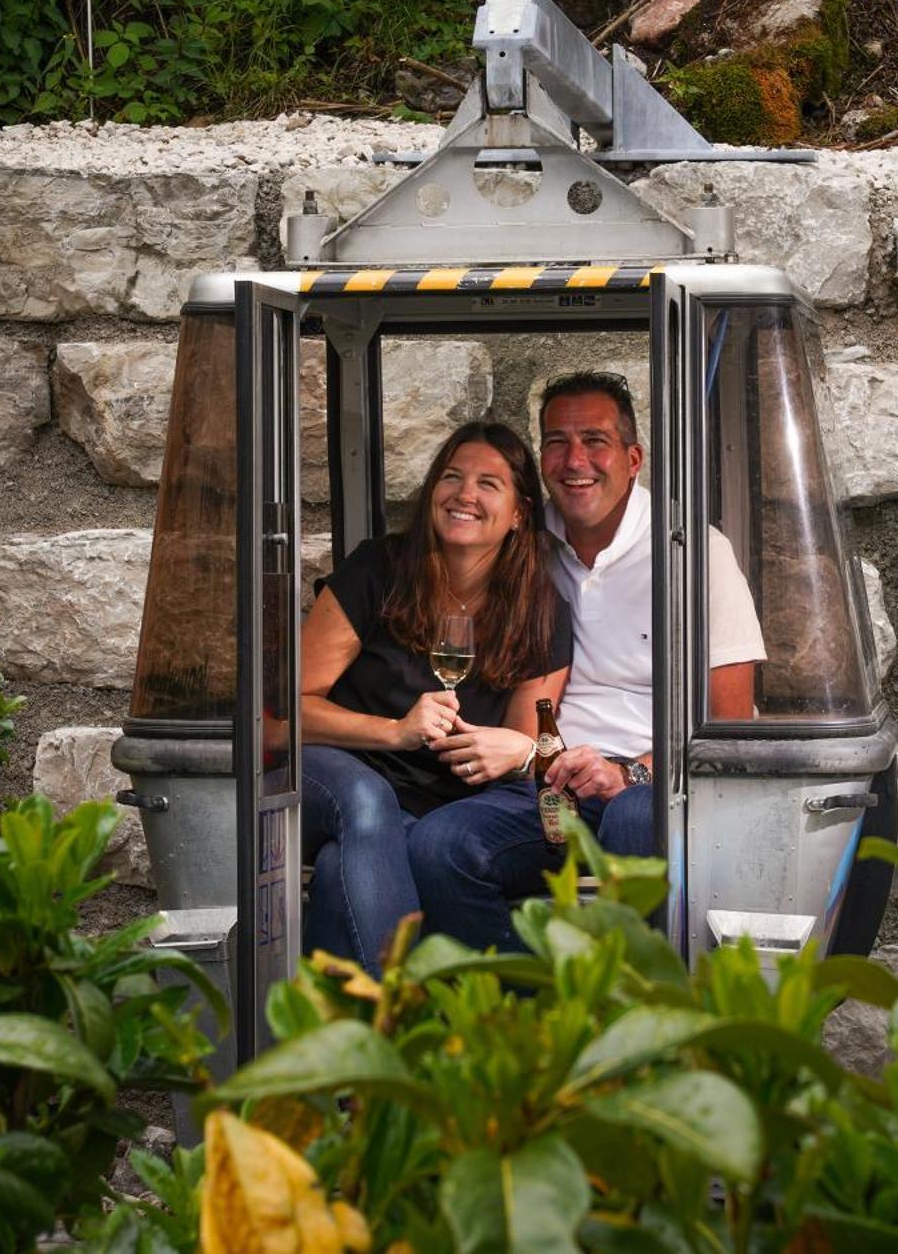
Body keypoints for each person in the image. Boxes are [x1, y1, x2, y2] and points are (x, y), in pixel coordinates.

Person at [408, 372, 765, 952]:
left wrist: (630, 772)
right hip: (546, 783)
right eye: (556, 441)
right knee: (438, 843)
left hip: (655, 783)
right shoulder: (522, 541)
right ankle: (523, 1018)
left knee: (630, 819)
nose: (575, 460)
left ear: (632, 458)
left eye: (594, 440)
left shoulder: (694, 552)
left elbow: (731, 722)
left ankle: (635, 1019)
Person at [300, 421, 573, 974]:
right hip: (338, 770)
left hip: (439, 807)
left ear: (520, 513)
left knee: (337, 871)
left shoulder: (539, 611)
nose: (464, 494)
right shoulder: (379, 570)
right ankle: (400, 1016)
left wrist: (510, 749)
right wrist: (395, 731)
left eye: (488, 483)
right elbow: (283, 714)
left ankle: (347, 1036)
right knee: (367, 802)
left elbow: (531, 744)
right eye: (452, 476)